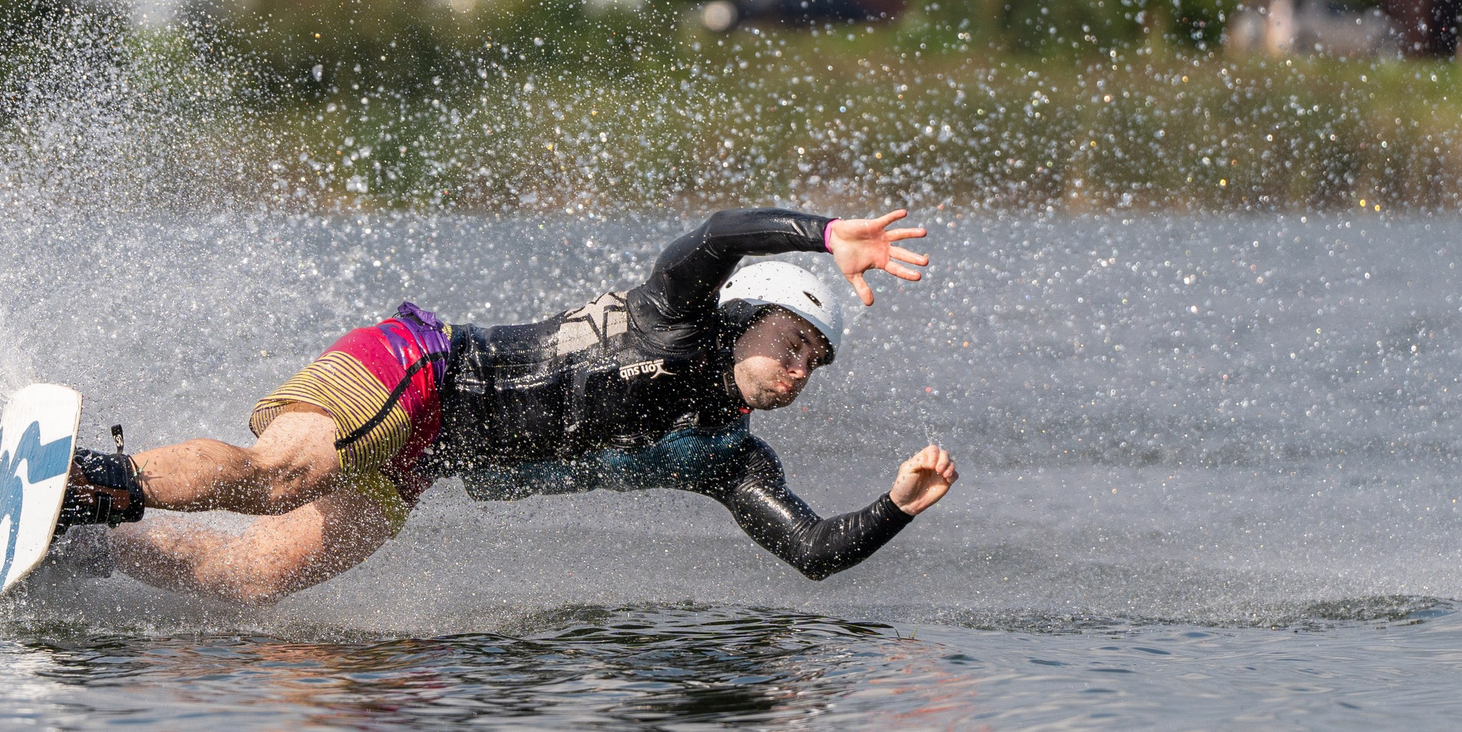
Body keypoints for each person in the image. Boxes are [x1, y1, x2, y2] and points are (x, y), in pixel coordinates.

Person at [54, 208, 958, 602]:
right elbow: (720, 233)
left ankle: (93, 543)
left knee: (250, 579)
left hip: (424, 463)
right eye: (792, 343)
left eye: (816, 361)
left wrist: (896, 508)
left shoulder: (727, 451)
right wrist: (829, 234)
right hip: (421, 371)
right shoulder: (671, 317)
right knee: (281, 475)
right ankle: (85, 481)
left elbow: (810, 552)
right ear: (742, 317)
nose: (800, 370)